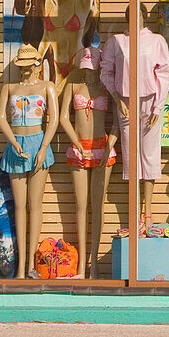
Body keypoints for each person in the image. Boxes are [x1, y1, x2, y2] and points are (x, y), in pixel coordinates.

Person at [100, 4, 169, 233]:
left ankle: (148, 213)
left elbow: (163, 73)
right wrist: (116, 97)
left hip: (150, 101)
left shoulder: (156, 40)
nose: (135, 18)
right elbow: (105, 71)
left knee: (149, 156)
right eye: (130, 14)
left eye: (139, 14)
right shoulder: (116, 41)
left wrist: (158, 107)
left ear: (144, 16)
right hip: (125, 101)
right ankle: (133, 216)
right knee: (131, 159)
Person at [0, 44, 59, 278]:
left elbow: (53, 120)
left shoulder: (47, 87)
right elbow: (1, 118)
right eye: (19, 66)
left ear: (36, 64)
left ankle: (32, 264)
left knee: (35, 204)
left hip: (38, 143)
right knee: (19, 206)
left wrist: (43, 147)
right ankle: (21, 266)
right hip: (16, 145)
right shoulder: (9, 88)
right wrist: (13, 142)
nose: (23, 70)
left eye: (26, 65)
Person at [58, 46, 117, 278]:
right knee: (81, 207)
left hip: (102, 148)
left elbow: (118, 120)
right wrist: (75, 141)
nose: (89, 72)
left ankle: (95, 263)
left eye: (92, 68)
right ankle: (82, 266)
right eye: (86, 68)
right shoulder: (73, 86)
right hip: (78, 146)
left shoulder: (107, 88)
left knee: (98, 206)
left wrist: (112, 142)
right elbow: (63, 117)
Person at [42, 0, 97, 80]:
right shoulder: (50, 1)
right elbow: (46, 37)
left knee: (64, 95)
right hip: (57, 64)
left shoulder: (82, 2)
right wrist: (37, 60)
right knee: (57, 95)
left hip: (75, 62)